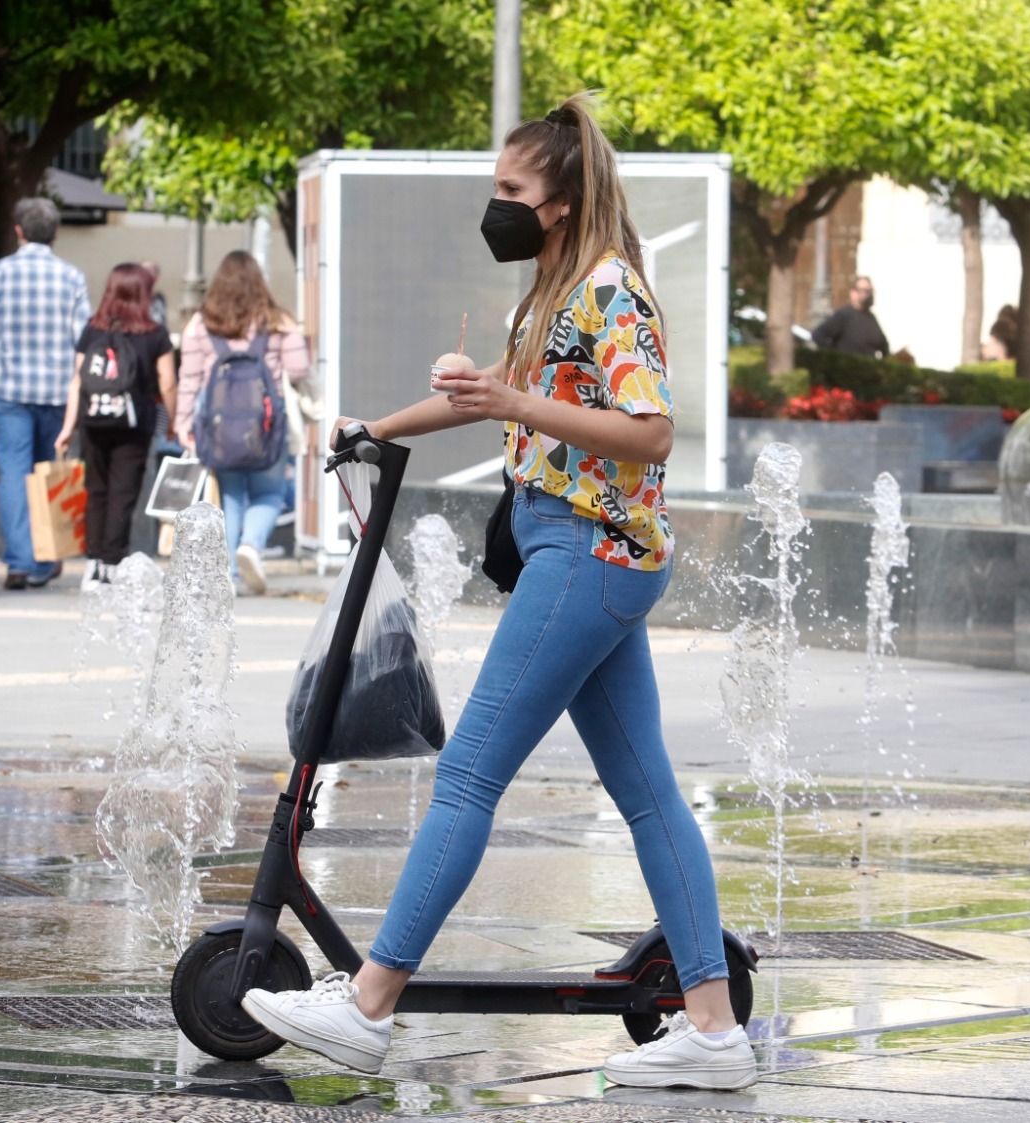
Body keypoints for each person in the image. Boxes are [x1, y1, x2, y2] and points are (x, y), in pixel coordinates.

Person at [239, 94, 756, 1091]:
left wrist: (516, 400)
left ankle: (365, 1005)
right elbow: (497, 392)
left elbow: (650, 431)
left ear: (559, 202)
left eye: (510, 192)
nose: (497, 208)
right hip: (584, 552)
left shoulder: (610, 292)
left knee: (469, 772)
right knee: (648, 793)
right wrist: (375, 428)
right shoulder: (555, 290)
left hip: (589, 554)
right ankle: (713, 1028)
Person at [0, 197, 92, 590]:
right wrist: (79, 389)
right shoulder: (71, 277)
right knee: (50, 474)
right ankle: (46, 558)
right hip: (56, 390)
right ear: (55, 233)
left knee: (13, 473)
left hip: (9, 391)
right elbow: (82, 339)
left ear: (18, 230)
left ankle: (19, 561)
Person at [175, 251, 311, 595]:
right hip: (267, 425)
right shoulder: (278, 320)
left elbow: (189, 378)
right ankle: (251, 545)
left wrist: (182, 422)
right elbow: (299, 370)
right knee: (269, 491)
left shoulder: (201, 324)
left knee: (231, 495)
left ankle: (229, 574)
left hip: (218, 426)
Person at [54, 264, 177, 590]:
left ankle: (93, 564)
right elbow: (168, 383)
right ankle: (111, 564)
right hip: (134, 426)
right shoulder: (154, 334)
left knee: (96, 491)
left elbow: (78, 381)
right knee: (123, 495)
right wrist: (173, 422)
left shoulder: (92, 329)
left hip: (93, 421)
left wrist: (69, 426)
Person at [810, 275, 888, 358]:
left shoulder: (872, 318)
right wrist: (834, 356)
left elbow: (884, 346)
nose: (865, 295)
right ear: (853, 293)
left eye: (868, 291)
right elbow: (818, 335)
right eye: (861, 290)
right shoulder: (844, 315)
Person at [140, 260, 169, 332]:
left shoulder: (159, 298)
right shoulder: (131, 298)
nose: (148, 275)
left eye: (151, 271)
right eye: (144, 271)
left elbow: (161, 322)